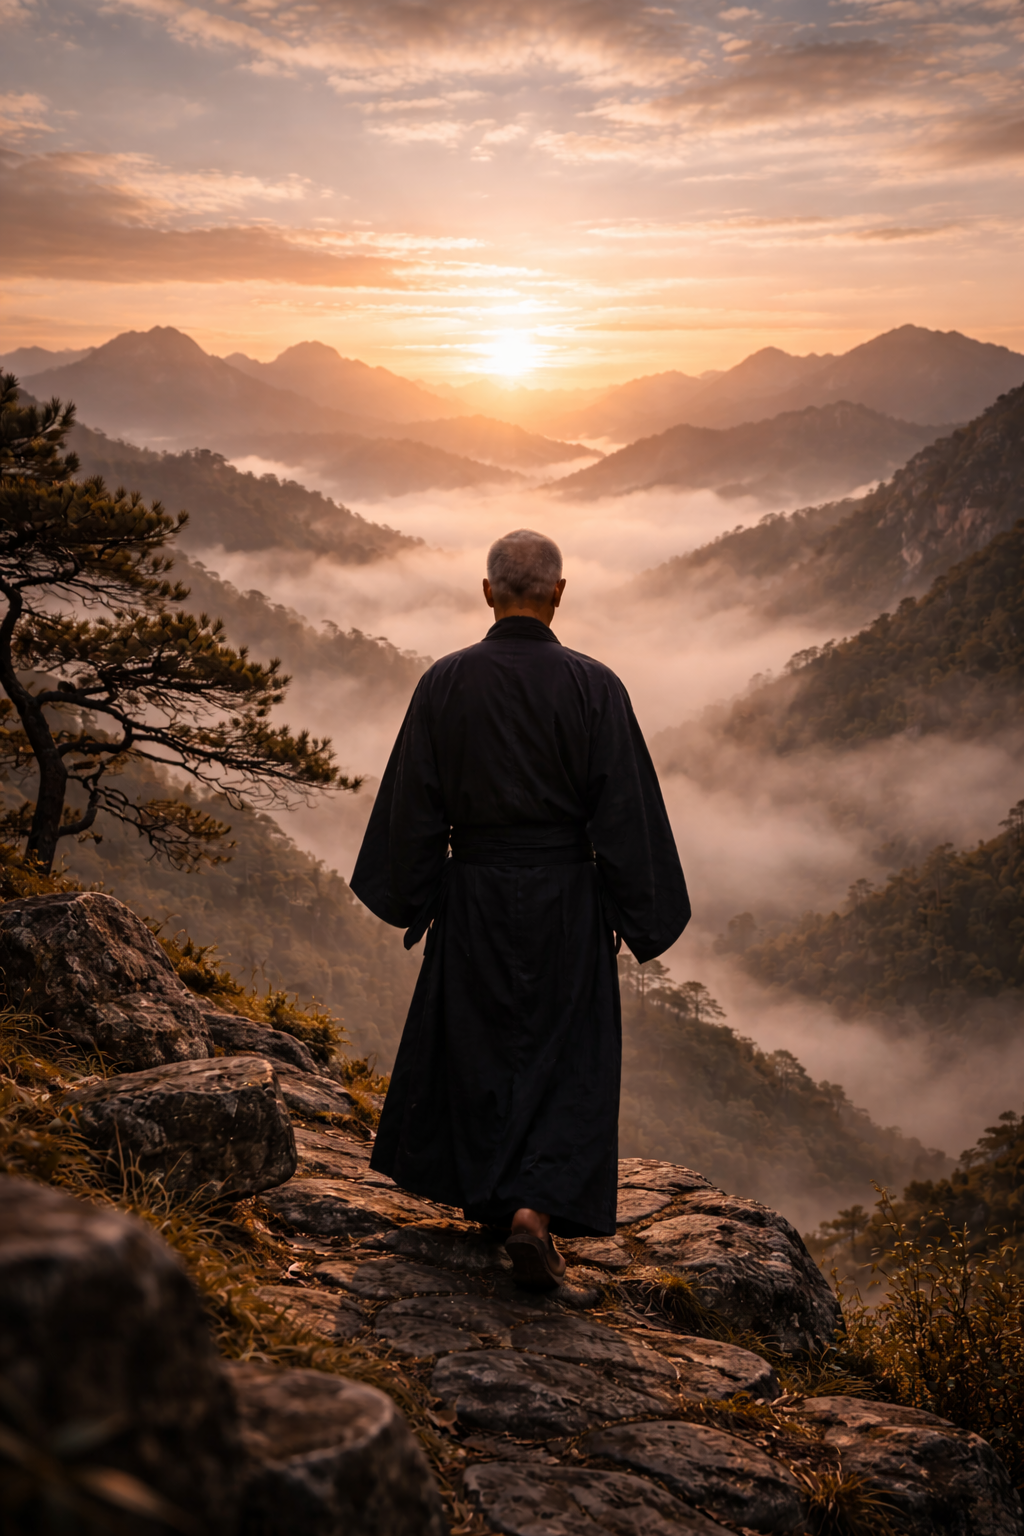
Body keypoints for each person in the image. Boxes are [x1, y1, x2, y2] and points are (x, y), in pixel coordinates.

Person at [350, 528, 690, 1287]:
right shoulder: (594, 686)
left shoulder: (445, 682)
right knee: (565, 1052)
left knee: (477, 1037)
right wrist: (641, 910)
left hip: (471, 888)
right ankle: (534, 1212)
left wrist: (422, 891)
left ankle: (489, 1195)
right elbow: (624, 811)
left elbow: (413, 807)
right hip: (568, 894)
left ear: (488, 592)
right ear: (559, 594)